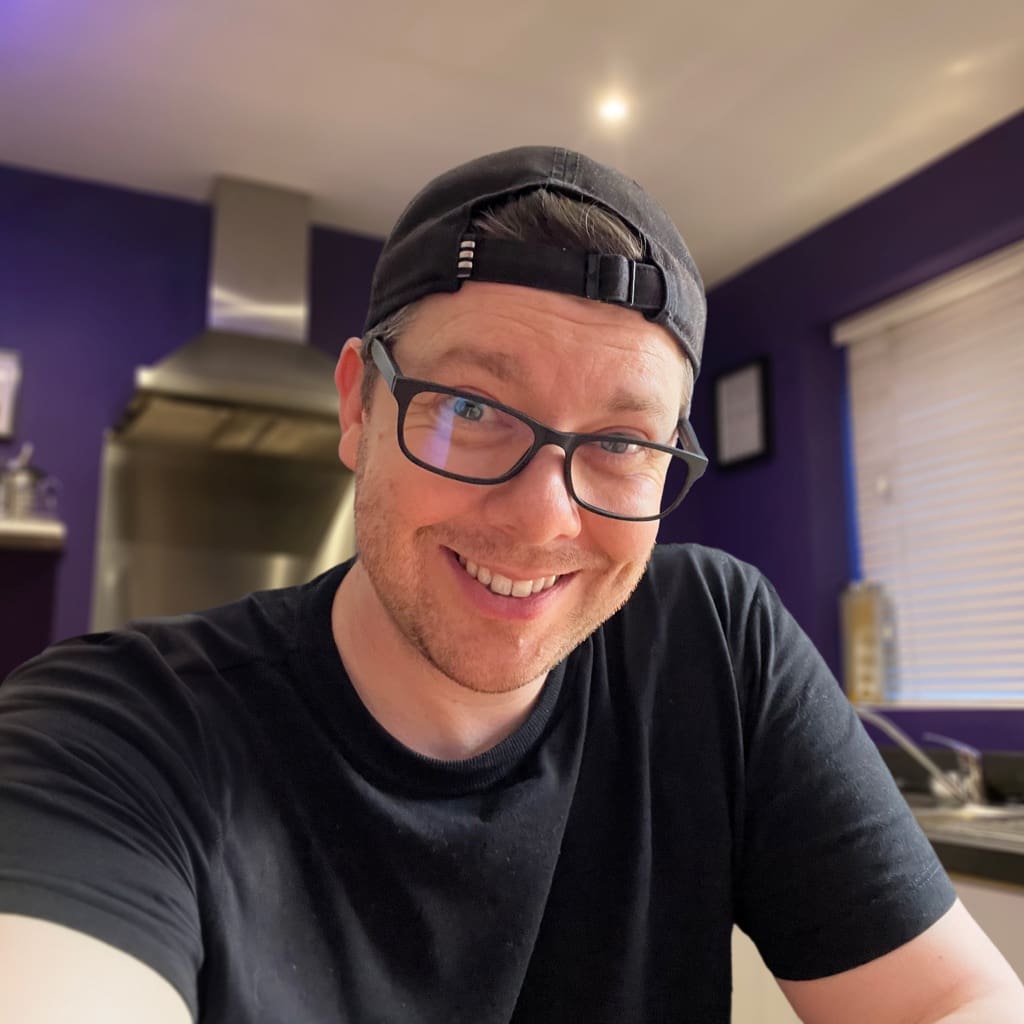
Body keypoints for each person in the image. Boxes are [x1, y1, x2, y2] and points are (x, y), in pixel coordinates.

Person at [1, 146, 1021, 1024]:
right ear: (359, 406)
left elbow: (952, 999)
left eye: (622, 441)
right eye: (471, 408)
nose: (543, 519)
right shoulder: (112, 730)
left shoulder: (713, 644)